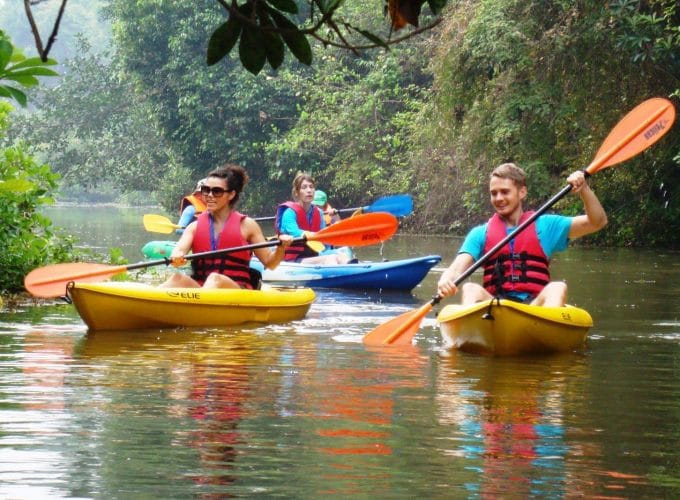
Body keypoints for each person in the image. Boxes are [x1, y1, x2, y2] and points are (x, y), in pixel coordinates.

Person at [437, 163, 608, 307]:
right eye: (493, 193)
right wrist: (446, 280)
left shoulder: (546, 225)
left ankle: (545, 333)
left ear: (522, 192)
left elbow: (597, 222)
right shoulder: (480, 233)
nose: (498, 198)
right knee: (470, 289)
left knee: (557, 287)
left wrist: (584, 189)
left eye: (505, 192)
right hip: (495, 306)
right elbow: (457, 268)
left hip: (534, 307)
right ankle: (473, 336)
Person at [161, 163, 293, 289]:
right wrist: (177, 256)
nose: (209, 196)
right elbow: (178, 250)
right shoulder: (194, 227)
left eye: (217, 191)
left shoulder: (248, 226)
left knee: (215, 279)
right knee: (177, 278)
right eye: (206, 190)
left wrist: (281, 248)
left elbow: (270, 263)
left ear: (231, 194)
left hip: (235, 291)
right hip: (202, 289)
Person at [275, 172, 352, 264]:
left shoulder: (318, 212)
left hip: (314, 255)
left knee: (343, 255)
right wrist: (309, 234)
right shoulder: (289, 213)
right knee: (330, 259)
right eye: (304, 187)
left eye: (311, 187)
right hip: (294, 260)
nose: (309, 190)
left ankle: (356, 272)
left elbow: (323, 237)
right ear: (296, 192)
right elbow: (295, 232)